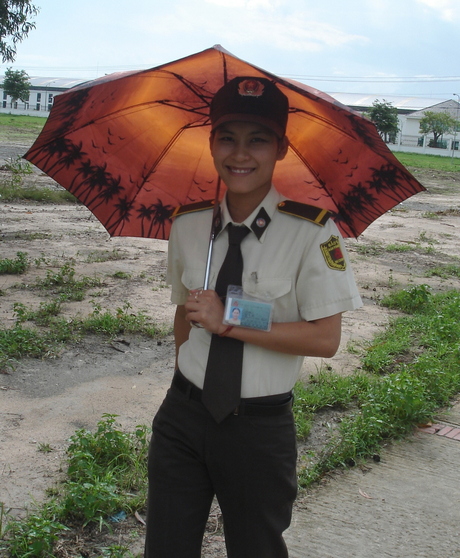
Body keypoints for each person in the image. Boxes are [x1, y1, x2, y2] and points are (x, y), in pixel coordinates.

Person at [144, 76, 362, 558]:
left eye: (257, 140)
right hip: (183, 415)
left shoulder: (313, 232)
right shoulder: (188, 224)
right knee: (166, 548)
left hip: (258, 430)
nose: (240, 154)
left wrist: (232, 320)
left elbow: (325, 338)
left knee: (256, 549)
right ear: (212, 143)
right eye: (228, 138)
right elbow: (185, 313)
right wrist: (182, 378)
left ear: (280, 148)